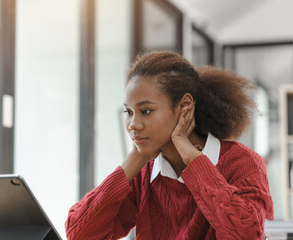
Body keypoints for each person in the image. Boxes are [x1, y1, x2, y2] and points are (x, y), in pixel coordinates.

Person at [65, 51, 274, 240]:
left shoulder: (242, 163)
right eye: (129, 112)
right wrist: (136, 158)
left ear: (184, 107)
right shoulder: (144, 172)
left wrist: (193, 161)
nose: (133, 125)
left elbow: (249, 235)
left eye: (146, 111)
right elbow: (79, 234)